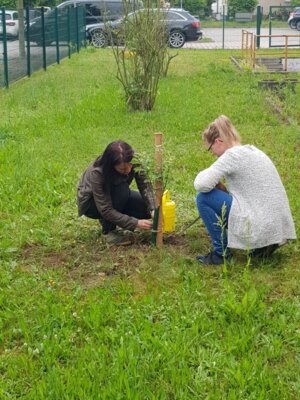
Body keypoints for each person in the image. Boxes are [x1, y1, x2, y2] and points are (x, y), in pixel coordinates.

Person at [194, 115, 296, 265]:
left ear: (218, 141)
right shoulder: (252, 151)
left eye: (210, 149)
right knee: (217, 196)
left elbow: (201, 184)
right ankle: (263, 245)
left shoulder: (232, 155)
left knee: (203, 198)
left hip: (259, 226)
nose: (213, 154)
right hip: (275, 227)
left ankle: (220, 254)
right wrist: (223, 189)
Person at [77, 141, 155, 245]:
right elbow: (105, 209)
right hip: (93, 204)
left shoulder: (133, 158)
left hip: (118, 195)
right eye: (122, 169)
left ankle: (116, 218)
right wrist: (135, 223)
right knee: (121, 189)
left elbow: (144, 184)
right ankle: (108, 231)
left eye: (130, 166)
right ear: (111, 165)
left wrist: (153, 207)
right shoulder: (97, 172)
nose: (128, 170)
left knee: (144, 209)